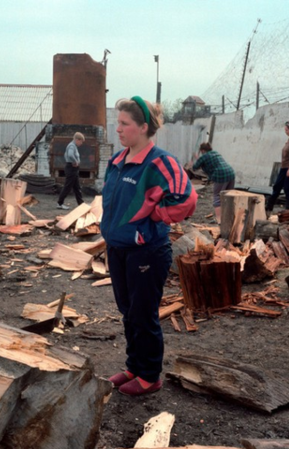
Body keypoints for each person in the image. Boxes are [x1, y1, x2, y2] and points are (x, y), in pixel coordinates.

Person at [101, 96, 197, 397]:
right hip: (117, 249)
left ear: (143, 127)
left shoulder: (160, 162)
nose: (118, 129)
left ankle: (150, 375)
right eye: (118, 123)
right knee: (128, 311)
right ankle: (134, 366)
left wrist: (155, 218)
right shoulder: (117, 161)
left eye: (124, 124)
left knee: (144, 314)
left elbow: (186, 199)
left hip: (146, 251)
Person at [187, 142, 235, 222]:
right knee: (228, 196)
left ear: (202, 150)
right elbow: (207, 160)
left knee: (217, 196)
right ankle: (229, 218)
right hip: (230, 173)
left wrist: (191, 164)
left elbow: (195, 167)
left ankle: (219, 220)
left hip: (221, 175)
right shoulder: (215, 153)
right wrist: (199, 158)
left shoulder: (204, 156)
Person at [266, 119, 289, 214]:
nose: (285, 131)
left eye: (286, 130)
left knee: (288, 187)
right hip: (284, 167)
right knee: (277, 185)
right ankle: (269, 206)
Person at [56, 132, 85, 210]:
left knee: (77, 187)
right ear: (77, 139)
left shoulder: (72, 146)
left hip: (73, 169)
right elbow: (70, 155)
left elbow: (67, 155)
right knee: (67, 186)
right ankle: (60, 203)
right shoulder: (72, 146)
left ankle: (81, 203)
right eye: (81, 141)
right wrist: (75, 161)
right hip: (71, 168)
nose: (81, 143)